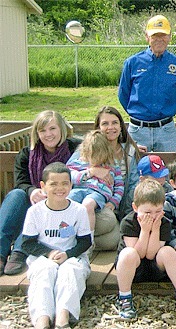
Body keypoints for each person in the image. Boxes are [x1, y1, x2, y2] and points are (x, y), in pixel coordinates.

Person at [0, 110, 80, 276]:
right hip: (34, 199)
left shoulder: (75, 149)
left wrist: (130, 145)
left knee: (43, 210)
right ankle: (1, 252)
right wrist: (32, 190)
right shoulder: (27, 154)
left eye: (52, 129)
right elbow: (21, 182)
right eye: (42, 130)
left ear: (61, 129)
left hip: (61, 205)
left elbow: (102, 145)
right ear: (36, 133)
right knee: (16, 195)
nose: (48, 134)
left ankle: (19, 253)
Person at [114, 179, 176, 320]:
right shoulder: (128, 222)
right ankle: (124, 298)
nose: (154, 216)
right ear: (135, 208)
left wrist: (154, 230)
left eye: (158, 211)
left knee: (168, 251)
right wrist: (145, 230)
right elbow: (139, 253)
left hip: (154, 267)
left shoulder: (163, 223)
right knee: (128, 253)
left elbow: (151, 254)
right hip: (133, 269)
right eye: (148, 211)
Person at [21, 162, 92, 329]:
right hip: (43, 257)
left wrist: (67, 254)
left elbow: (85, 241)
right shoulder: (35, 212)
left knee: (69, 271)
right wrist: (50, 253)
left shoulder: (78, 210)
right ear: (43, 186)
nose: (60, 188)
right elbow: (27, 243)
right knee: (45, 272)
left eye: (65, 183)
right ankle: (42, 319)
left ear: (71, 185)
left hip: (72, 256)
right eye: (53, 184)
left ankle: (63, 317)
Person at [118, 14, 176, 152]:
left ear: (170, 37)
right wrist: (140, 114)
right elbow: (123, 94)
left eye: (163, 35)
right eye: (155, 35)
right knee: (135, 170)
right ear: (147, 36)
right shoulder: (132, 63)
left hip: (166, 131)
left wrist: (165, 113)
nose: (159, 39)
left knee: (168, 170)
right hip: (138, 131)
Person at [67, 130, 124, 239]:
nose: (96, 161)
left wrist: (113, 202)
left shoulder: (112, 165)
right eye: (92, 156)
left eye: (100, 157)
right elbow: (69, 177)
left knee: (87, 205)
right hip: (78, 190)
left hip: (98, 193)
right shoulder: (77, 162)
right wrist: (89, 173)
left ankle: (88, 240)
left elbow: (119, 186)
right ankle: (67, 237)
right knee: (69, 203)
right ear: (85, 152)